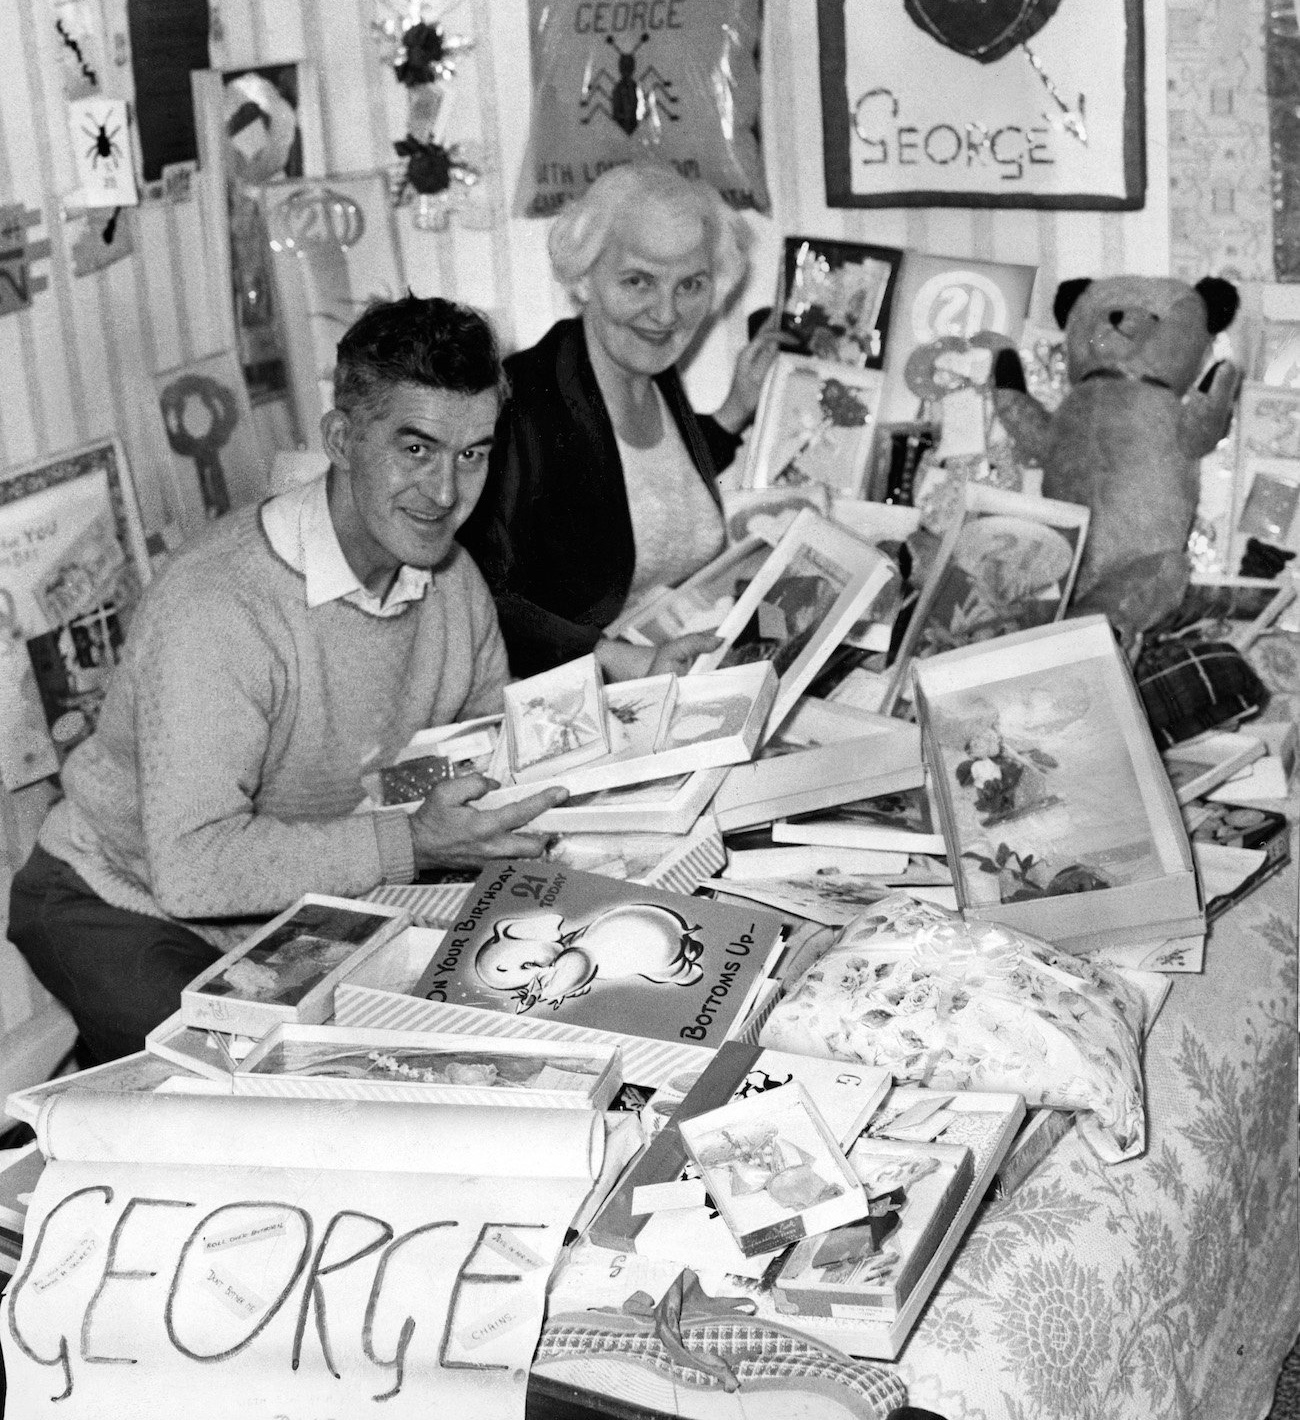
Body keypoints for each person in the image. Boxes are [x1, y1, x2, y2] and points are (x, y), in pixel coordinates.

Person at [7, 296, 565, 1066]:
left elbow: (468, 769)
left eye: (472, 454)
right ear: (340, 439)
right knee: (254, 1080)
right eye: (415, 449)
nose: (445, 493)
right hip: (118, 898)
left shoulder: (453, 582)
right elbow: (194, 870)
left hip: (298, 905)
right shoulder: (220, 607)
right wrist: (407, 840)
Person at [458, 162, 779, 678]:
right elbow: (470, 590)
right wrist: (614, 660)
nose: (666, 313)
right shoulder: (519, 404)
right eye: (638, 281)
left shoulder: (651, 374)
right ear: (584, 277)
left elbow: (643, 488)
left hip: (670, 668)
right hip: (566, 697)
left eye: (690, 285)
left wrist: (735, 411)